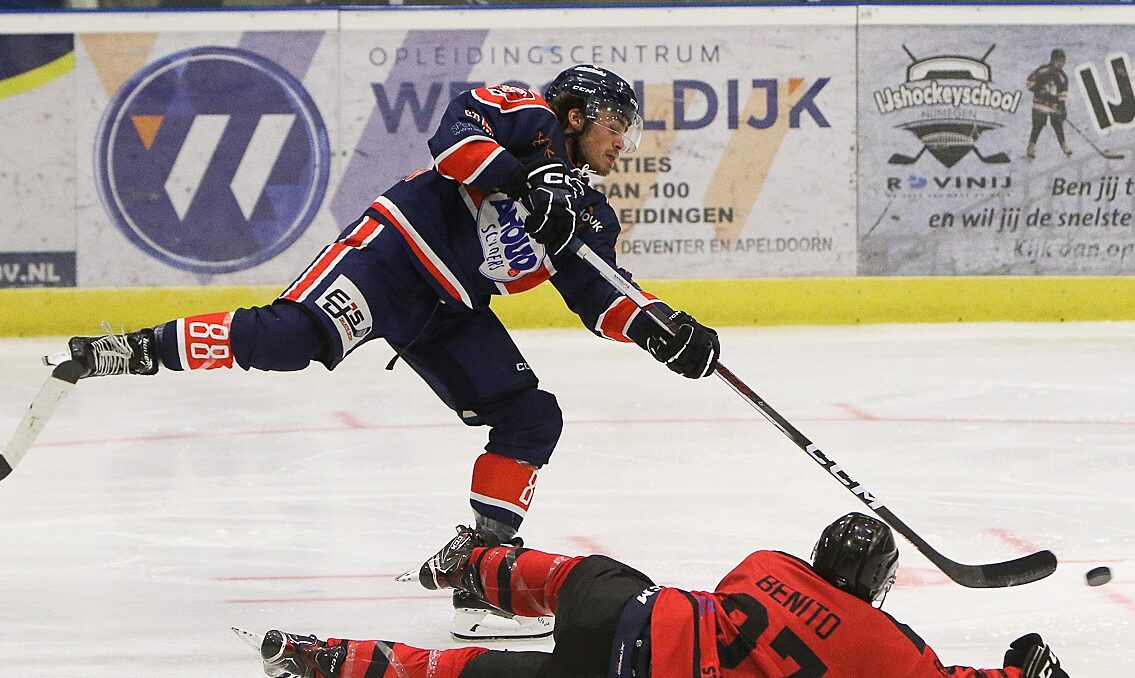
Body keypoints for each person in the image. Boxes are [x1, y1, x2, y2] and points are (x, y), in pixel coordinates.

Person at [54, 64, 720, 640]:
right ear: (577, 114)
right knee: (292, 337)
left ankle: (479, 575)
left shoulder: (588, 213)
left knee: (530, 418)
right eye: (615, 124)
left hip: (449, 308)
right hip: (393, 256)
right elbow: (454, 140)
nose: (622, 141)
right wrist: (526, 178)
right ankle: (135, 349)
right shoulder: (529, 114)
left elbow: (601, 295)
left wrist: (662, 329)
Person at [240, 512, 1081, 678]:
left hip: (634, 620)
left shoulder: (766, 563)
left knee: (580, 577)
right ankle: (312, 659)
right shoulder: (883, 658)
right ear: (880, 586)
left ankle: (478, 565)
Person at [1026, 48, 1071, 160]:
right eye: (1058, 61)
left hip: (1053, 106)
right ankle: (1031, 147)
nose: (1061, 64)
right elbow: (1029, 82)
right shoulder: (1043, 71)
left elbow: (1063, 93)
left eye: (1063, 62)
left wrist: (1062, 106)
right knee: (1038, 126)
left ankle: (1064, 145)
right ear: (1052, 60)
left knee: (1058, 124)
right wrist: (1039, 90)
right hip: (1040, 104)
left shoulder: (1062, 76)